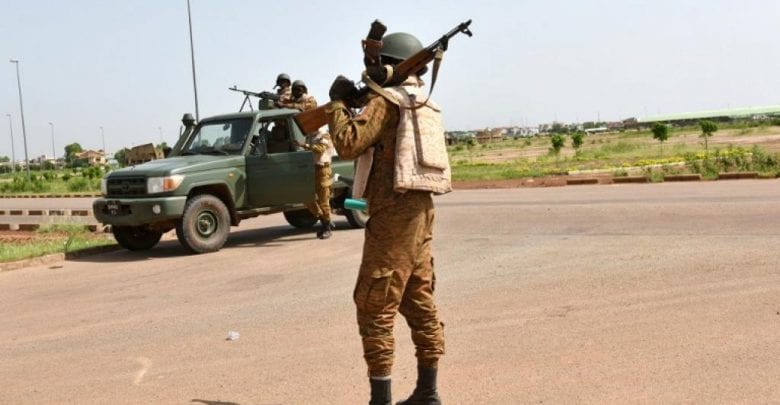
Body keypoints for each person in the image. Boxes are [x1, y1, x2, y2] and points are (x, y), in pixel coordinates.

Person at [325, 32, 451, 405]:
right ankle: (428, 393)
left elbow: (348, 143)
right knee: (418, 300)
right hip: (421, 211)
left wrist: (335, 105)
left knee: (374, 304)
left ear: (391, 65)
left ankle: (380, 400)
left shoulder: (387, 103)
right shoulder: (424, 103)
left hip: (393, 215)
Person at [297, 129, 336, 239]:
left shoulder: (324, 134)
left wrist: (305, 145)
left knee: (323, 201)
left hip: (323, 170)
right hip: (311, 170)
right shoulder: (310, 135)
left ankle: (327, 228)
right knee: (307, 199)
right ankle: (324, 220)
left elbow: (320, 149)